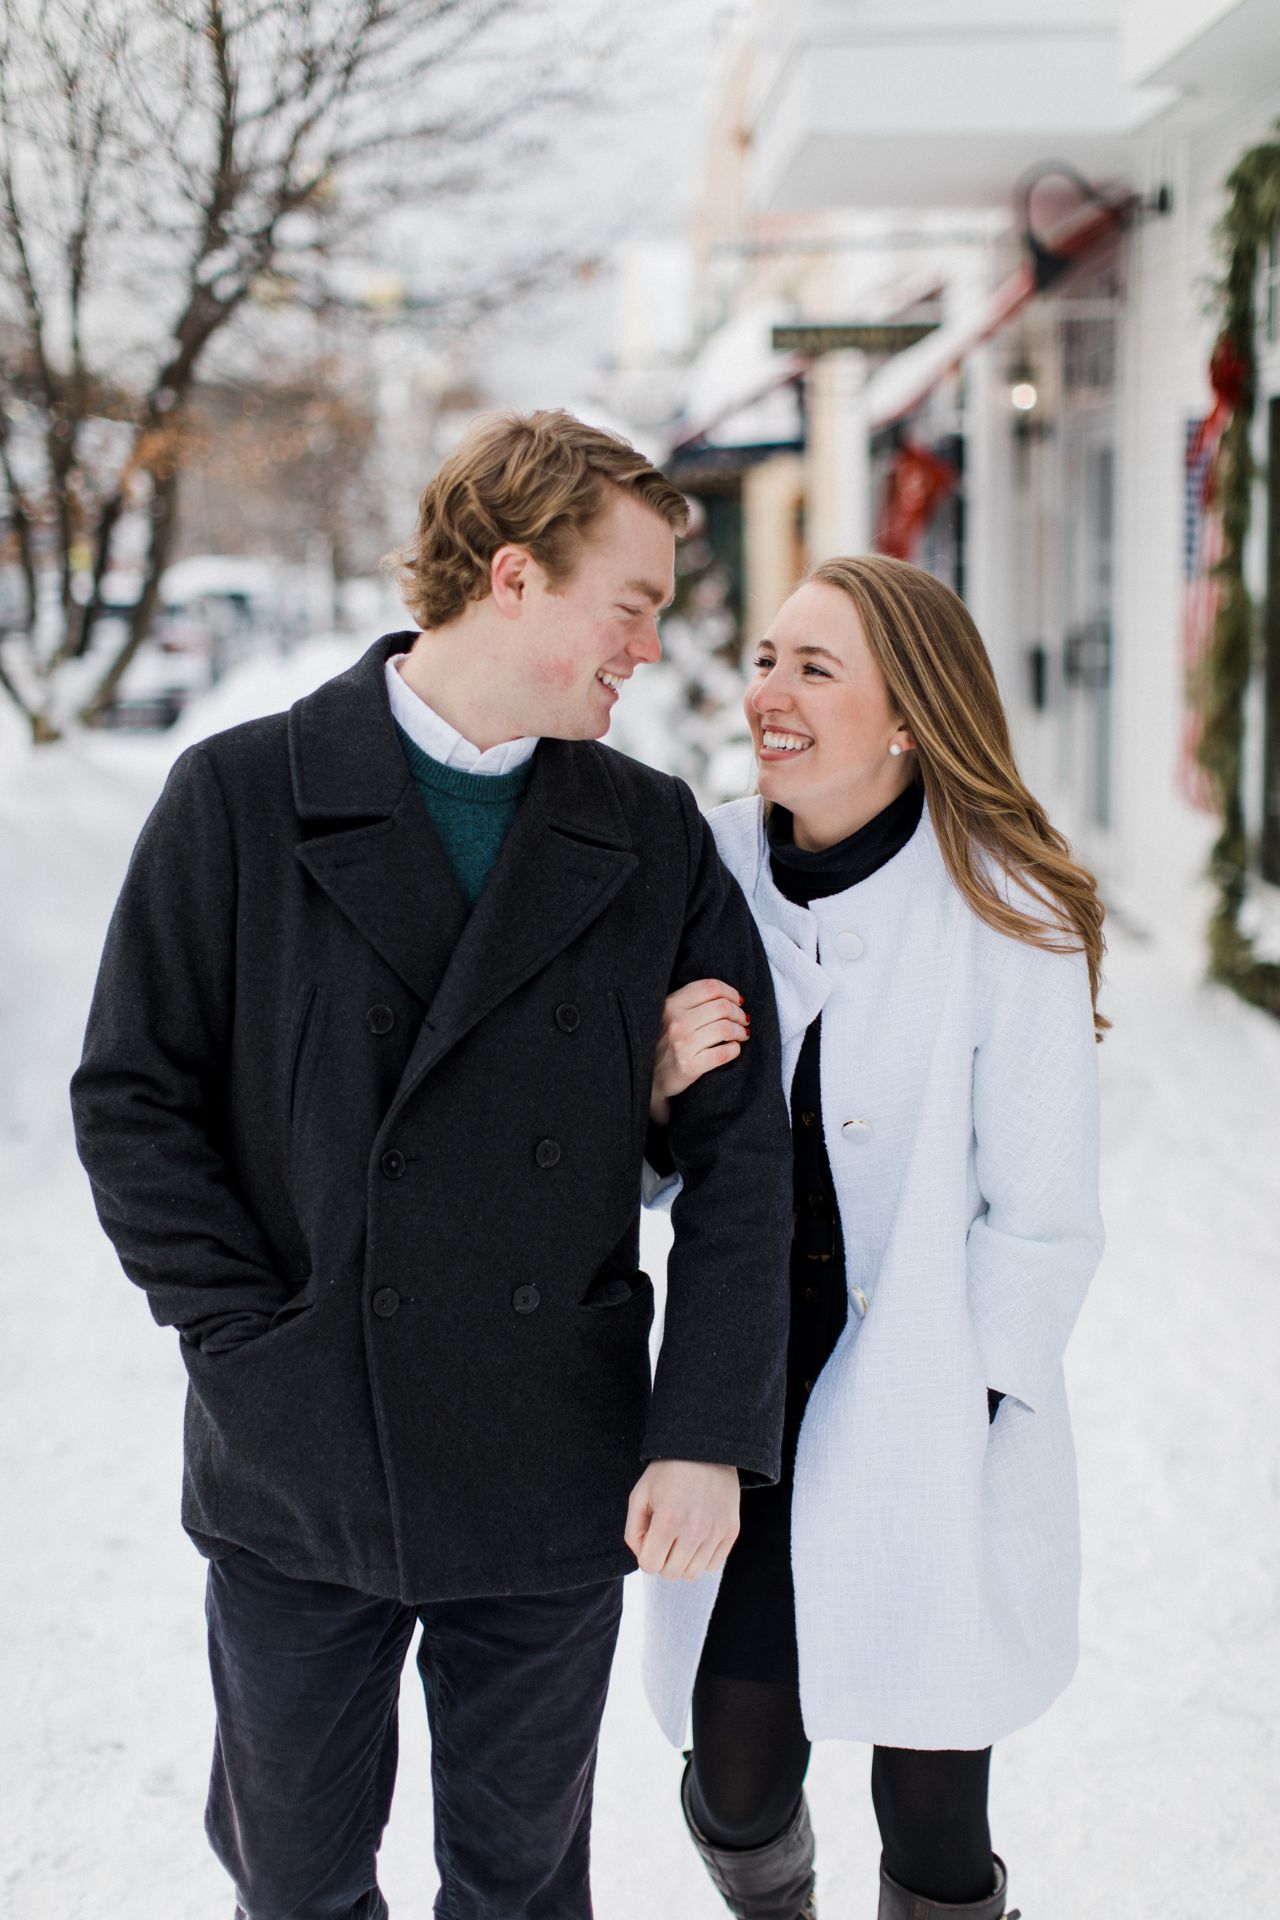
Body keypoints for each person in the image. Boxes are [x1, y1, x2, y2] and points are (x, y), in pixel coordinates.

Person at [70, 409, 794, 1920]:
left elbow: (743, 1164)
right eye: (633, 605)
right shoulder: (241, 796)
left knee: (521, 1888)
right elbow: (134, 1099)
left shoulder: (648, 831)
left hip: (551, 1454)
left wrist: (704, 1430)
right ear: (516, 578)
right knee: (293, 1878)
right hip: (301, 1456)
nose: (650, 648)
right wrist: (247, 1341)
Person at [642, 555, 1105, 1920]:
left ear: (908, 716)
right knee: (734, 1774)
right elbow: (653, 1162)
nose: (768, 695)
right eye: (766, 660)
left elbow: (1044, 1217)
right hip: (743, 1394)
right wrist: (655, 1093)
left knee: (932, 1804)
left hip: (926, 1404)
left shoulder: (1009, 908)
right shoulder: (706, 866)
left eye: (814, 668)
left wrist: (967, 1404)